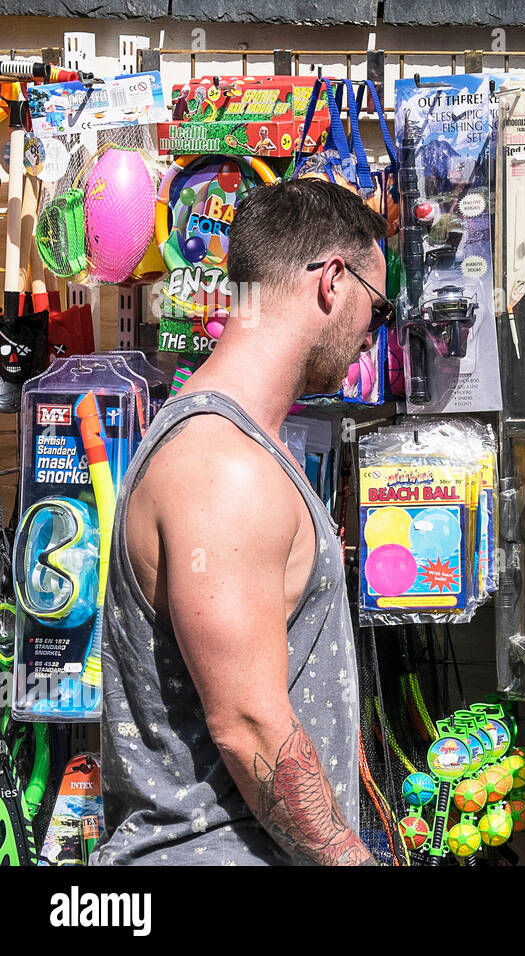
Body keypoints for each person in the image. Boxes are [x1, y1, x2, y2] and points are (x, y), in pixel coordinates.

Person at [93, 179, 392, 865]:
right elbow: (250, 726)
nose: (368, 344)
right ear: (333, 283)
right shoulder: (222, 467)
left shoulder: (231, 448)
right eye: (374, 312)